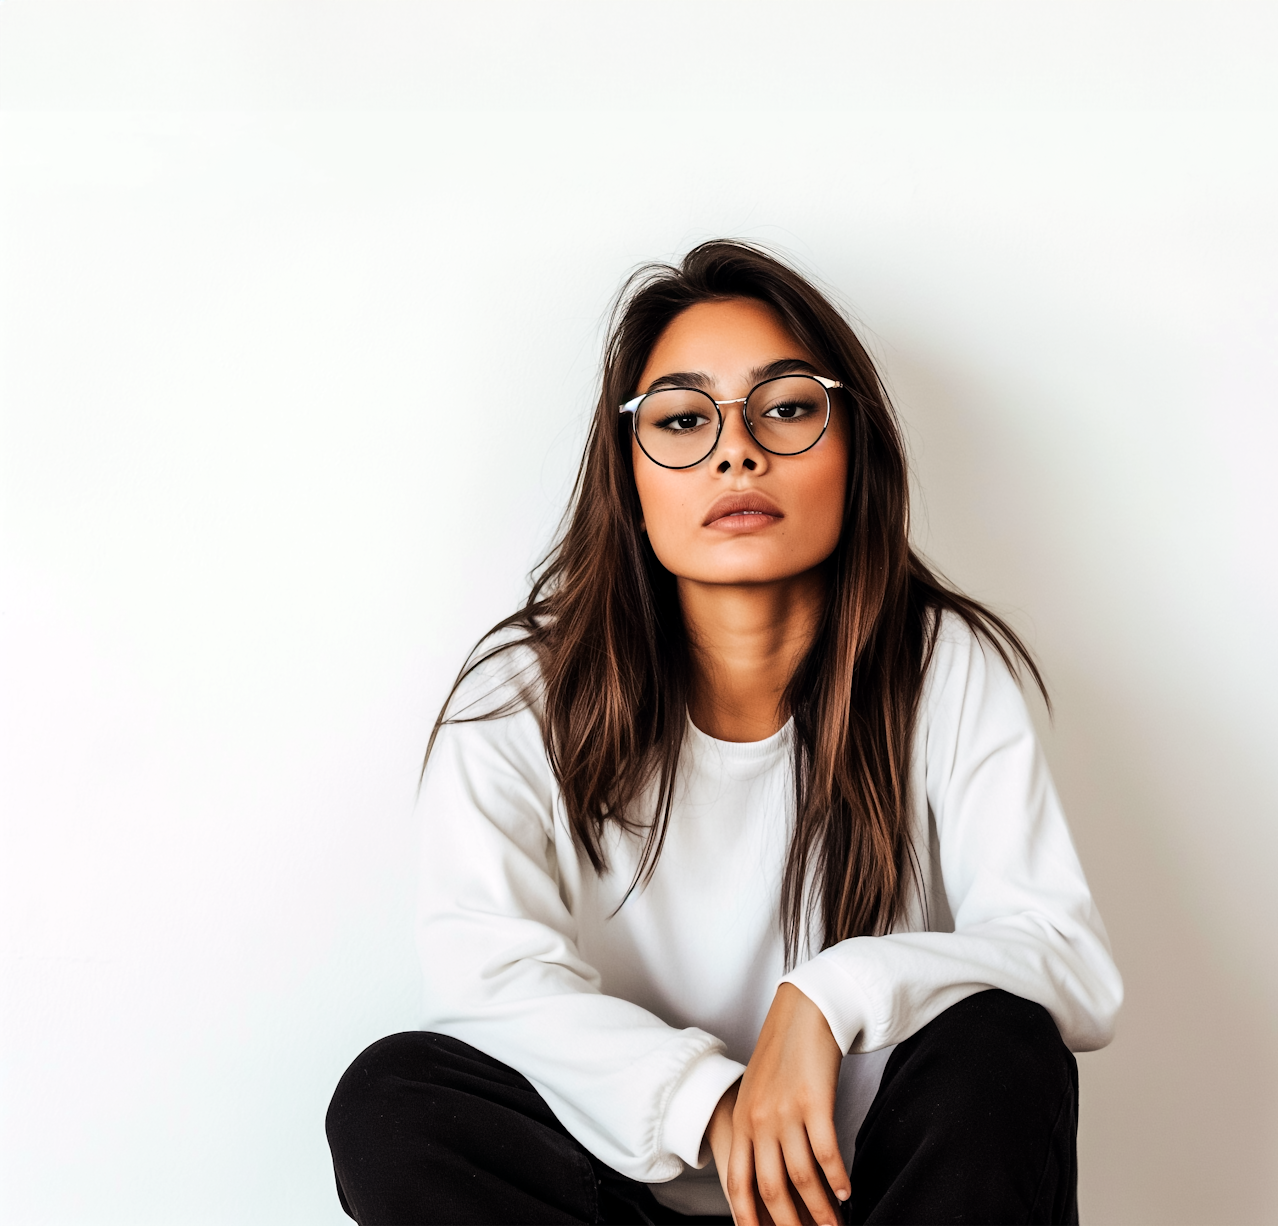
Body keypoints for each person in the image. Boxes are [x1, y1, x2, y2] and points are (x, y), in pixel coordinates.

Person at [325, 240, 1122, 1226]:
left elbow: (1069, 963)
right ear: (629, 472)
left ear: (852, 444)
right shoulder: (523, 693)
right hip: (619, 1202)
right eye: (682, 419)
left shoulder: (941, 663)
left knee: (1003, 1044)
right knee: (393, 1099)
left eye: (787, 407)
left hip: (874, 1201)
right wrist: (708, 1101)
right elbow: (491, 983)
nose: (735, 451)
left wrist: (829, 997)